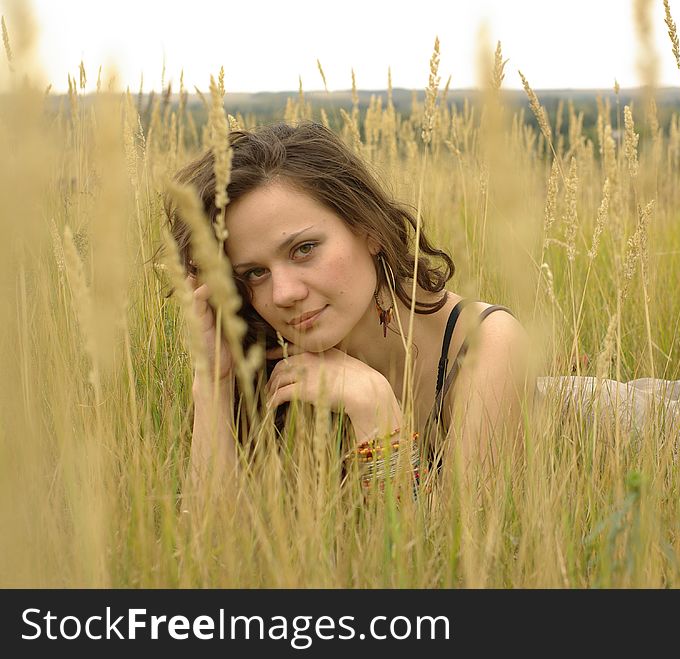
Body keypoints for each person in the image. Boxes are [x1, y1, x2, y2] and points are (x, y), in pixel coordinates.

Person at [164, 121, 533, 496]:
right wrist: (215, 382)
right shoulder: (267, 358)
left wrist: (377, 416)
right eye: (255, 273)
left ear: (367, 228)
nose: (283, 294)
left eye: (304, 249)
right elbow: (212, 549)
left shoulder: (485, 343)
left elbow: (460, 548)